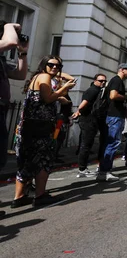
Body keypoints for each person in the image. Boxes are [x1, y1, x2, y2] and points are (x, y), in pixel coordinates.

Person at [12, 56, 76, 208]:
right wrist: (63, 90)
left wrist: (59, 97)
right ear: (44, 65)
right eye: (51, 64)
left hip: (29, 126)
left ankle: (19, 197)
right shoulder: (45, 77)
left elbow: (41, 98)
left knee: (26, 161)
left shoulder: (37, 77)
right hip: (39, 127)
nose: (55, 68)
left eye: (58, 66)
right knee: (43, 159)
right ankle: (40, 195)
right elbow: (47, 98)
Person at [97, 63, 127, 182]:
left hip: (115, 116)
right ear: (122, 70)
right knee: (113, 142)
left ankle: (104, 170)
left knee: (112, 142)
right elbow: (113, 96)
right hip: (114, 116)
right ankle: (104, 171)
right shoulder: (116, 80)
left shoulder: (117, 81)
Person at [0, 22, 28, 174]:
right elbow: (10, 42)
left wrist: (22, 53)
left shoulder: (1, 60)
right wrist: (8, 26)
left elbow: (20, 74)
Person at [72, 74, 108, 177]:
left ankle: (82, 168)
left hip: (90, 120)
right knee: (86, 145)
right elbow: (85, 102)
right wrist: (78, 111)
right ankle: (82, 169)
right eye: (101, 81)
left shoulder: (98, 90)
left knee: (86, 145)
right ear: (95, 80)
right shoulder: (93, 90)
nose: (103, 83)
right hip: (88, 120)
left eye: (104, 81)